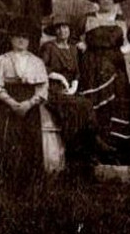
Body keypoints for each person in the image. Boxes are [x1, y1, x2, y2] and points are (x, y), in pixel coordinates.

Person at [0, 17, 49, 184]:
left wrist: (29, 103)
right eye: (17, 37)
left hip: (29, 105)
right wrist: (12, 103)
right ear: (11, 39)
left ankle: (29, 183)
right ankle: (3, 181)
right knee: (6, 139)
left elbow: (42, 89)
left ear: (29, 40)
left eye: (24, 37)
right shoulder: (3, 60)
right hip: (7, 105)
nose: (21, 40)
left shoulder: (37, 62)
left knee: (29, 142)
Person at [79, 0, 130, 157]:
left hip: (115, 67)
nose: (106, 1)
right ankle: (94, 150)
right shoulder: (87, 19)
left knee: (117, 103)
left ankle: (115, 150)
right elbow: (75, 40)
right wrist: (82, 48)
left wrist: (125, 52)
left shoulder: (123, 21)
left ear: (115, 1)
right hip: (92, 67)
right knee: (94, 105)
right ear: (97, 0)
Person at [40, 18, 105, 162]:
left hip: (69, 89)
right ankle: (79, 146)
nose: (62, 31)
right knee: (79, 106)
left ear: (69, 30)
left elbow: (77, 71)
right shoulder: (49, 47)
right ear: (54, 31)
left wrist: (74, 85)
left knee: (86, 104)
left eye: (65, 28)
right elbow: (42, 68)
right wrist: (59, 78)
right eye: (59, 28)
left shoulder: (73, 48)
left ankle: (87, 145)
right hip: (53, 89)